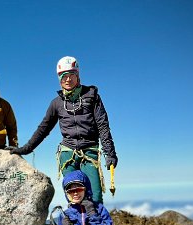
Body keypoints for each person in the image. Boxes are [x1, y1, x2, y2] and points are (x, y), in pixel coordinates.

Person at [10, 56, 117, 203]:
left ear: (77, 75)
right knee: (74, 198)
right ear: (59, 79)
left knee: (95, 197)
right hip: (67, 155)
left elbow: (102, 125)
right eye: (63, 76)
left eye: (71, 75)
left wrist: (109, 153)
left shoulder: (92, 97)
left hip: (90, 152)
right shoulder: (57, 103)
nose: (67, 79)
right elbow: (43, 128)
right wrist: (25, 149)